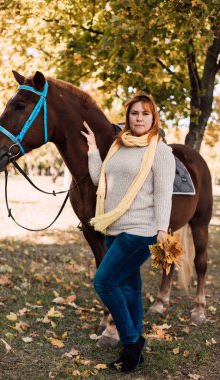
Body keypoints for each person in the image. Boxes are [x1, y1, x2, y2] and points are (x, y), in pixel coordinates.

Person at [81, 92, 175, 373]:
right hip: (114, 226)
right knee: (130, 288)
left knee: (104, 283)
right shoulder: (119, 145)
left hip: (141, 230)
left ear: (153, 117)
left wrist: (161, 229)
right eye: (135, 113)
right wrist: (93, 149)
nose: (140, 118)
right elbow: (101, 180)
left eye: (146, 113)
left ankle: (132, 343)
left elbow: (163, 195)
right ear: (128, 116)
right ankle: (136, 347)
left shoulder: (160, 151)